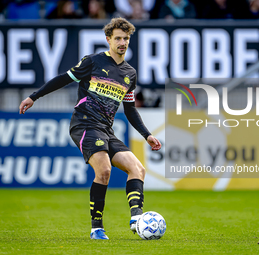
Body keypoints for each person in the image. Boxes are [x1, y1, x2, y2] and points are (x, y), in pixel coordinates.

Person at [19, 18, 161, 240]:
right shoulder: (93, 62)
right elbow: (62, 79)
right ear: (108, 40)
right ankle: (97, 228)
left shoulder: (129, 74)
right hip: (84, 123)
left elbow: (130, 109)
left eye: (126, 38)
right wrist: (34, 96)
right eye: (118, 38)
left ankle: (137, 218)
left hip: (106, 129)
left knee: (138, 169)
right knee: (104, 171)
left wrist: (147, 134)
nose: (122, 42)